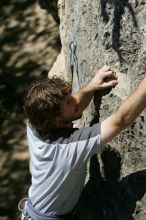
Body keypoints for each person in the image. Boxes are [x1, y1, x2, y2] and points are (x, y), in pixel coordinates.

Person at [18, 65, 146, 220]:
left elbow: (70, 108)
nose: (74, 99)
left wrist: (92, 86)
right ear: (55, 119)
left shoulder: (35, 125)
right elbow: (121, 120)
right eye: (68, 102)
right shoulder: (68, 148)